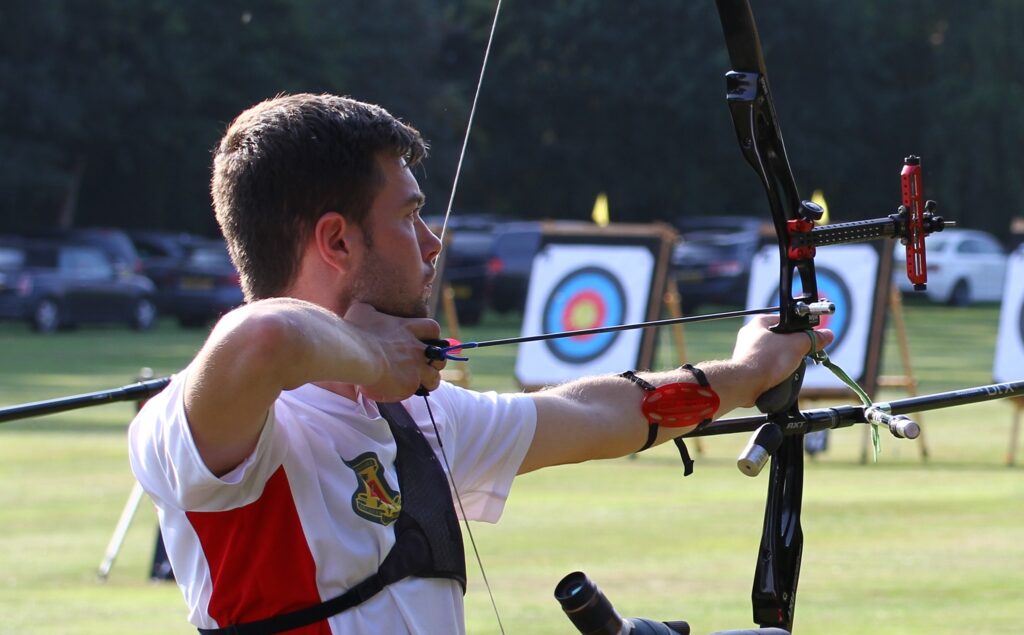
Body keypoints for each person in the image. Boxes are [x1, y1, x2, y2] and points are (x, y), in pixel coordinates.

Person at [128, 93, 833, 635]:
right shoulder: (204, 434)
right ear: (337, 242)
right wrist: (376, 360)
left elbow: (593, 413)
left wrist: (747, 371)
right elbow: (265, 338)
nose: (432, 243)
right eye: (408, 217)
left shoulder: (415, 417)